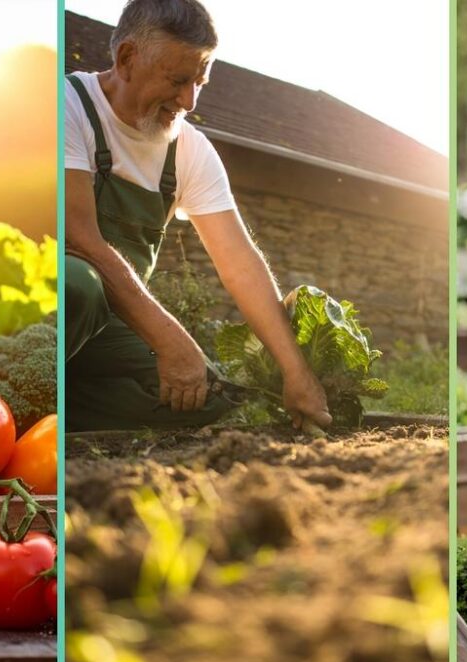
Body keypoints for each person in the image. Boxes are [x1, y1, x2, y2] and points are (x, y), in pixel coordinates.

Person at [64, 0, 332, 432]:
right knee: (79, 284)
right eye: (178, 80)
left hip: (114, 327)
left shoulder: (188, 149)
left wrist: (295, 371)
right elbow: (77, 239)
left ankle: (64, 407)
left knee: (202, 396)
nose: (189, 100)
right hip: (58, 308)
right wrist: (170, 338)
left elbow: (240, 264)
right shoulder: (68, 105)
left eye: (200, 83)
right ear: (127, 58)